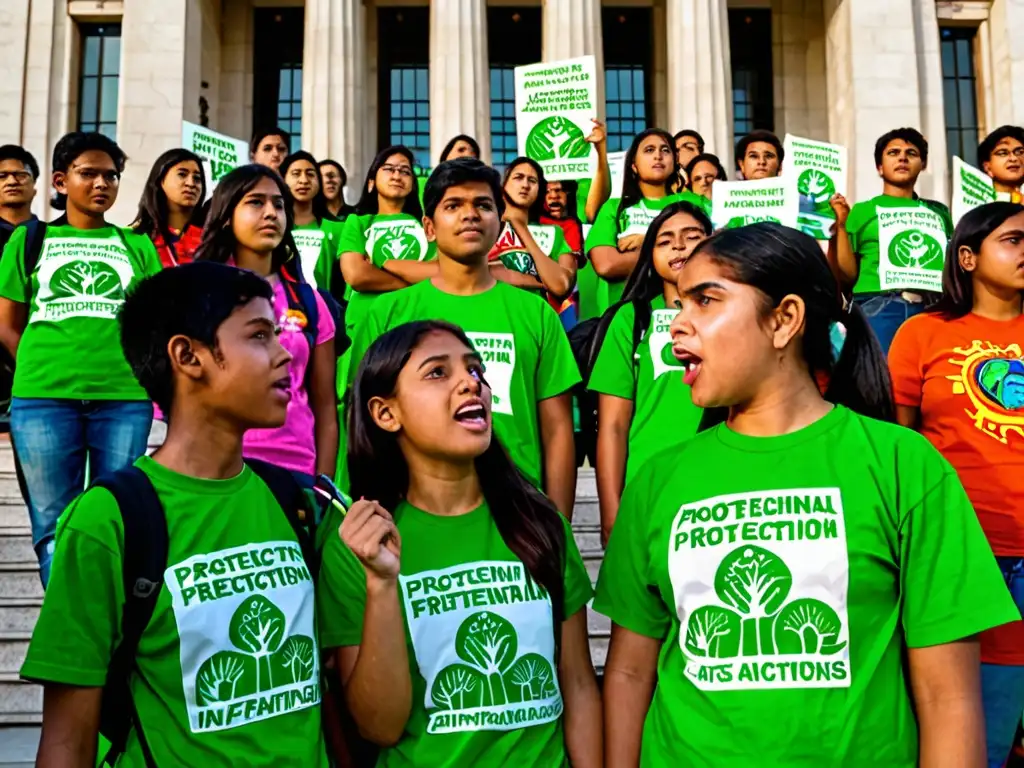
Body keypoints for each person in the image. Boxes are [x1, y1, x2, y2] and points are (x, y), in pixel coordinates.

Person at [595, 221, 1018, 766]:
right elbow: (630, 671)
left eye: (706, 300)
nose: (678, 323)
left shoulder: (902, 463)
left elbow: (949, 695)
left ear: (784, 320)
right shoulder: (657, 477)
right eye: (681, 302)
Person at [21, 261, 330, 766]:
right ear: (188, 356)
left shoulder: (297, 502)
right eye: (258, 336)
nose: (284, 356)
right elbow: (66, 740)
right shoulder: (108, 521)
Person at [318, 319, 602, 766]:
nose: (471, 384)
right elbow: (378, 727)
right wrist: (381, 584)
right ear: (385, 413)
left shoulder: (540, 522)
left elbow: (579, 684)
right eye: (437, 372)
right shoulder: (360, 544)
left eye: (476, 371)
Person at [345, 158, 580, 517]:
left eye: (483, 206)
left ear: (499, 224)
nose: (470, 215)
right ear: (429, 227)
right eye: (453, 206)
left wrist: (558, 523)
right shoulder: (388, 313)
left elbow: (558, 429)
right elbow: (361, 419)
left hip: (518, 510)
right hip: (409, 512)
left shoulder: (537, 313)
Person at [888, 201, 1024, 768]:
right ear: (967, 257)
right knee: (981, 736)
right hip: (969, 554)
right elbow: (899, 443)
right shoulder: (922, 332)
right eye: (1014, 240)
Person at [0, 131, 161, 586]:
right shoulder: (30, 240)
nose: (101, 184)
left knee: (119, 518)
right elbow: (7, 322)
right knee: (53, 526)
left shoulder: (137, 245)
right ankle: (69, 632)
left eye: (110, 175)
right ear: (59, 180)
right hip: (42, 397)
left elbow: (153, 321)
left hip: (123, 398)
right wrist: (40, 365)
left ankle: (109, 626)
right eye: (88, 173)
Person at [196, 164, 338, 483]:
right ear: (227, 214)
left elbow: (326, 409)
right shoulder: (196, 295)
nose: (271, 213)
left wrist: (324, 489)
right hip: (214, 469)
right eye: (256, 202)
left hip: (296, 470)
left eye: (278, 204)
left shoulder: (311, 302)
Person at [588, 201, 710, 546]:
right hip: (648, 485)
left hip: (721, 480)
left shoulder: (736, 314)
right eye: (664, 240)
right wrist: (611, 513)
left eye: (692, 236)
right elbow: (612, 425)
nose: (679, 246)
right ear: (651, 258)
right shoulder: (631, 319)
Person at [831, 127, 954, 352]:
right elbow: (847, 274)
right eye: (893, 152)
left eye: (912, 153)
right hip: (878, 307)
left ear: (923, 164)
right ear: (879, 167)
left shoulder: (940, 212)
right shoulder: (861, 211)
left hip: (933, 307)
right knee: (880, 380)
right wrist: (841, 225)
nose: (902, 158)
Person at [583, 128, 711, 321]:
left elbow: (713, 249)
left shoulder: (696, 203)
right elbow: (607, 264)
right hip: (626, 319)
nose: (658, 156)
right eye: (649, 150)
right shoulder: (614, 208)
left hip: (691, 315)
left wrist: (645, 242)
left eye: (665, 150)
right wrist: (677, 253)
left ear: (675, 160)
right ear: (633, 165)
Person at [332, 146, 436, 340]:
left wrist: (383, 265)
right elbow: (356, 275)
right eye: (388, 169)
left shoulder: (428, 226)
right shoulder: (358, 223)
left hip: (417, 321)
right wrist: (410, 283)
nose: (397, 175)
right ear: (371, 182)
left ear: (413, 184)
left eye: (405, 171)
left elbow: (438, 272)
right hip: (365, 323)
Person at [488, 156, 576, 300]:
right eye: (518, 177)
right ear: (504, 184)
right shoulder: (487, 226)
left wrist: (519, 226)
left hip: (534, 317)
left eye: (532, 180)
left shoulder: (554, 233)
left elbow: (561, 286)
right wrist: (539, 282)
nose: (525, 185)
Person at [131, 148, 206, 268]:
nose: (191, 184)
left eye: (197, 179)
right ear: (160, 180)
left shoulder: (211, 238)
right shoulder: (136, 237)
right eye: (182, 174)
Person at [280, 151, 343, 289]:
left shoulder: (339, 229)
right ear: (283, 180)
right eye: (296, 174)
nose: (304, 180)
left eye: (310, 174)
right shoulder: (274, 227)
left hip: (325, 308)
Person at [0, 144, 39, 251]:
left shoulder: (50, 237)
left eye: (21, 175)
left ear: (34, 188)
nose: (12, 182)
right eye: (2, 176)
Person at [978, 126, 1024, 201]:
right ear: (987, 166)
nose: (1014, 158)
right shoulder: (977, 205)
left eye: (1020, 152)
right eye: (1003, 153)